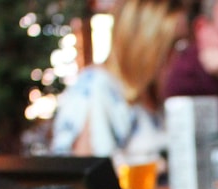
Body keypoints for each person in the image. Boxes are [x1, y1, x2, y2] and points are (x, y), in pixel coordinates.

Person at [51, 0, 188, 157]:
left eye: (184, 44)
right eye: (174, 44)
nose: (180, 55)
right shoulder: (97, 87)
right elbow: (87, 175)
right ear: (146, 42)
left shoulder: (146, 92)